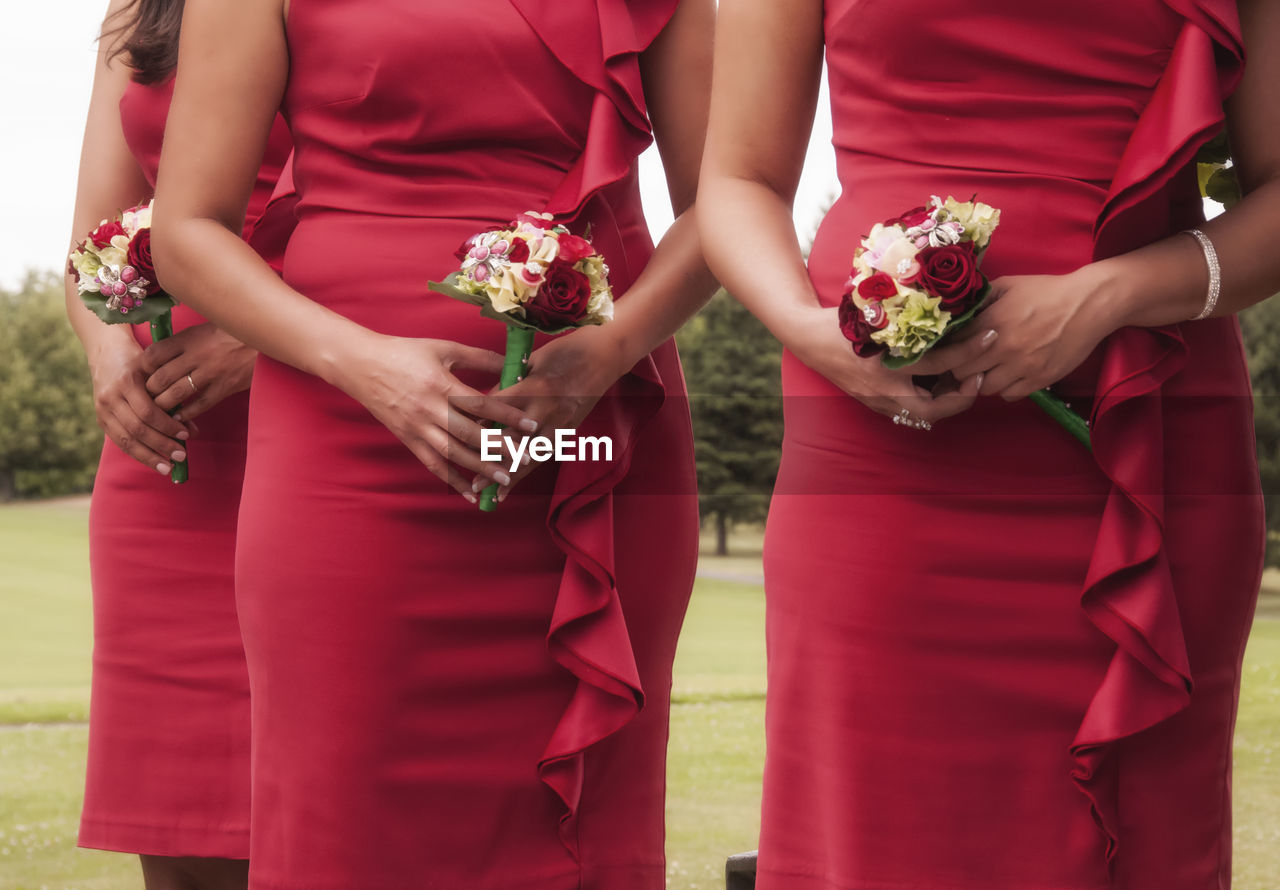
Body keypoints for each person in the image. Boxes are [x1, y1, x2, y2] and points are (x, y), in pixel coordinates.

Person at [698, 1, 1275, 887]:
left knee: (1151, 826)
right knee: (879, 833)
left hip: (1150, 433)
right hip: (882, 454)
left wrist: (1108, 296)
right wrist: (804, 329)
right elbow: (738, 179)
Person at [149, 0, 717, 887]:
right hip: (342, 449)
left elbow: (726, 201)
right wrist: (368, 366)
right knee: (346, 815)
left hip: (595, 433)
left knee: (590, 827)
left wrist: (604, 355)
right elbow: (186, 232)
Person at [64, 0, 291, 887]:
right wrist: (108, 353)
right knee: (187, 832)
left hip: (344, 397)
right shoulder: (141, 5)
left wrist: (266, 329)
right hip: (169, 442)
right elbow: (92, 241)